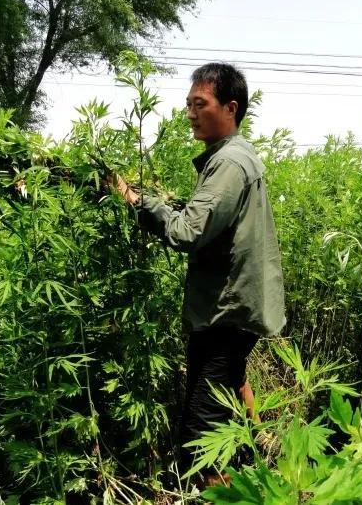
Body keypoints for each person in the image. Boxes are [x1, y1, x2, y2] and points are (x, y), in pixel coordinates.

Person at [109, 62, 285, 484]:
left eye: (199, 104)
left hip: (227, 313)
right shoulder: (232, 158)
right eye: (188, 104)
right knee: (229, 391)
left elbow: (188, 231)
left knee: (201, 438)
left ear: (230, 107)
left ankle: (222, 486)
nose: (189, 112)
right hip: (233, 310)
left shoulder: (229, 164)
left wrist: (136, 201)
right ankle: (266, 467)